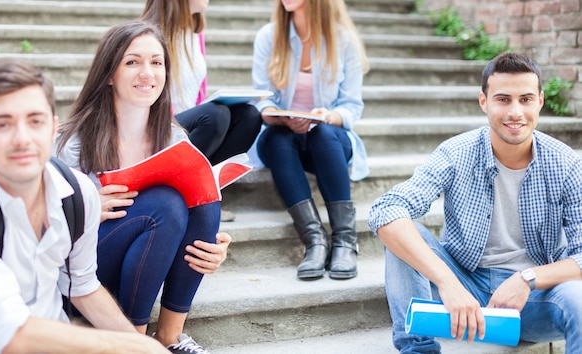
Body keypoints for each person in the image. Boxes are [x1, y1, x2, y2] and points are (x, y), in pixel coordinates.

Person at [369, 52, 582, 353]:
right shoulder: (456, 153)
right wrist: (448, 283)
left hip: (534, 299)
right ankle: (418, 349)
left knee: (579, 299)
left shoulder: (565, 164)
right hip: (464, 285)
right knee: (401, 229)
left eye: (525, 99)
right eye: (503, 99)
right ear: (484, 102)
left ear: (540, 101)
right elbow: (386, 210)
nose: (515, 112)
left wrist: (527, 278)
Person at [0, 59, 168, 353]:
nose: (22, 138)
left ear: (53, 127)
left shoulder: (79, 193)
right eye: (3, 124)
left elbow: (82, 287)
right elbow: (10, 332)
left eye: (35, 121)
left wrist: (140, 343)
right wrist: (135, 347)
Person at [55, 21, 229, 354]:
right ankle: (134, 342)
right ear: (109, 74)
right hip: (80, 272)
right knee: (164, 204)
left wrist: (214, 246)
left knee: (202, 201)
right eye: (132, 62)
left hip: (140, 262)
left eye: (156, 62)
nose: (147, 73)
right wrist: (86, 205)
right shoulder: (73, 140)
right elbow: (40, 225)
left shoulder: (174, 138)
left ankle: (169, 336)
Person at [251, 0, 370, 280]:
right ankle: (315, 241)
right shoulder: (269, 36)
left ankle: (345, 241)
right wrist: (281, 117)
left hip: (329, 143)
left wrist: (326, 115)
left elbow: (352, 107)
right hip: (285, 140)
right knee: (276, 138)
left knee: (322, 132)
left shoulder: (344, 40)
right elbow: (260, 101)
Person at [141, 0, 264, 222]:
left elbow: (196, 91)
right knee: (215, 116)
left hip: (189, 123)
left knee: (250, 116)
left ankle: (204, 197)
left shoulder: (196, 31)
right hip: (159, 128)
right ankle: (184, 199)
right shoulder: (149, 35)